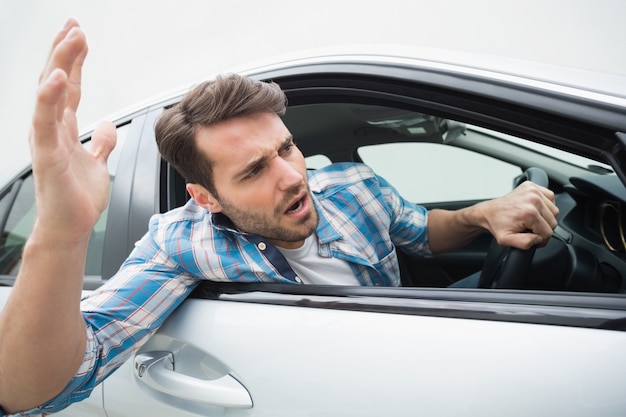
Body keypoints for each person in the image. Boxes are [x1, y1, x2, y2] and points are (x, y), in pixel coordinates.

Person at [0, 19, 559, 416]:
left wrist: (484, 214)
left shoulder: (354, 187)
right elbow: (36, 389)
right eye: (253, 171)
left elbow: (421, 233)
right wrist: (61, 231)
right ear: (206, 197)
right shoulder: (180, 242)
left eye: (287, 149)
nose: (294, 176)